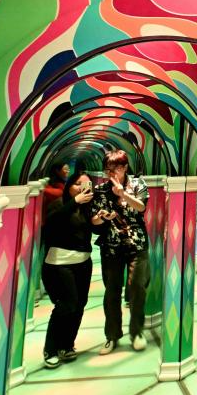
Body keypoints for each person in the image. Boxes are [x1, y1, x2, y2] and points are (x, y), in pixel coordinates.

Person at [91, 150, 150, 354]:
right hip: (111, 245)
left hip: (136, 244)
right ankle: (112, 335)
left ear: (124, 168)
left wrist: (123, 194)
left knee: (137, 287)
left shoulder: (138, 184)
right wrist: (102, 217)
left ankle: (137, 332)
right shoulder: (100, 190)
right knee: (112, 291)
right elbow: (94, 221)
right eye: (107, 169)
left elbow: (141, 208)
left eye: (114, 168)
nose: (111, 173)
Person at [40, 167, 97, 368]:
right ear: (69, 186)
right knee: (66, 304)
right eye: (77, 184)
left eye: (86, 184)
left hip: (83, 262)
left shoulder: (88, 207)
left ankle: (67, 345)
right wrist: (75, 202)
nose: (81, 188)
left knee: (80, 304)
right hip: (60, 263)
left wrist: (100, 219)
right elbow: (51, 225)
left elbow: (94, 229)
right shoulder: (59, 204)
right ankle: (51, 348)